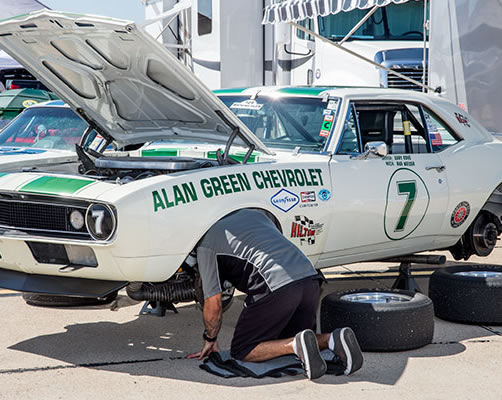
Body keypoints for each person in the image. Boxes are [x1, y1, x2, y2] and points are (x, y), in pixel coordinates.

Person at [187, 209, 363, 380]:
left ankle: (295, 345)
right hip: (310, 279)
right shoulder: (255, 214)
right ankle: (333, 339)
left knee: (243, 350)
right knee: (298, 337)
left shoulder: (206, 244)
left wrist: (210, 338)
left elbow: (214, 303)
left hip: (276, 287)